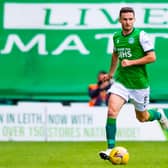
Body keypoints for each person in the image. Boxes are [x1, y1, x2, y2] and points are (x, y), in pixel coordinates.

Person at [99, 7, 168, 160]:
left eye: (130, 19)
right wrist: (110, 74)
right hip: (121, 82)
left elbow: (152, 57)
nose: (128, 22)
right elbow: (115, 54)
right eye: (125, 19)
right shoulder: (116, 36)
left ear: (134, 20)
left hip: (139, 85)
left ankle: (158, 114)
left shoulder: (141, 35)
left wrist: (131, 62)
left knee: (142, 117)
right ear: (119, 20)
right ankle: (110, 149)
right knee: (111, 112)